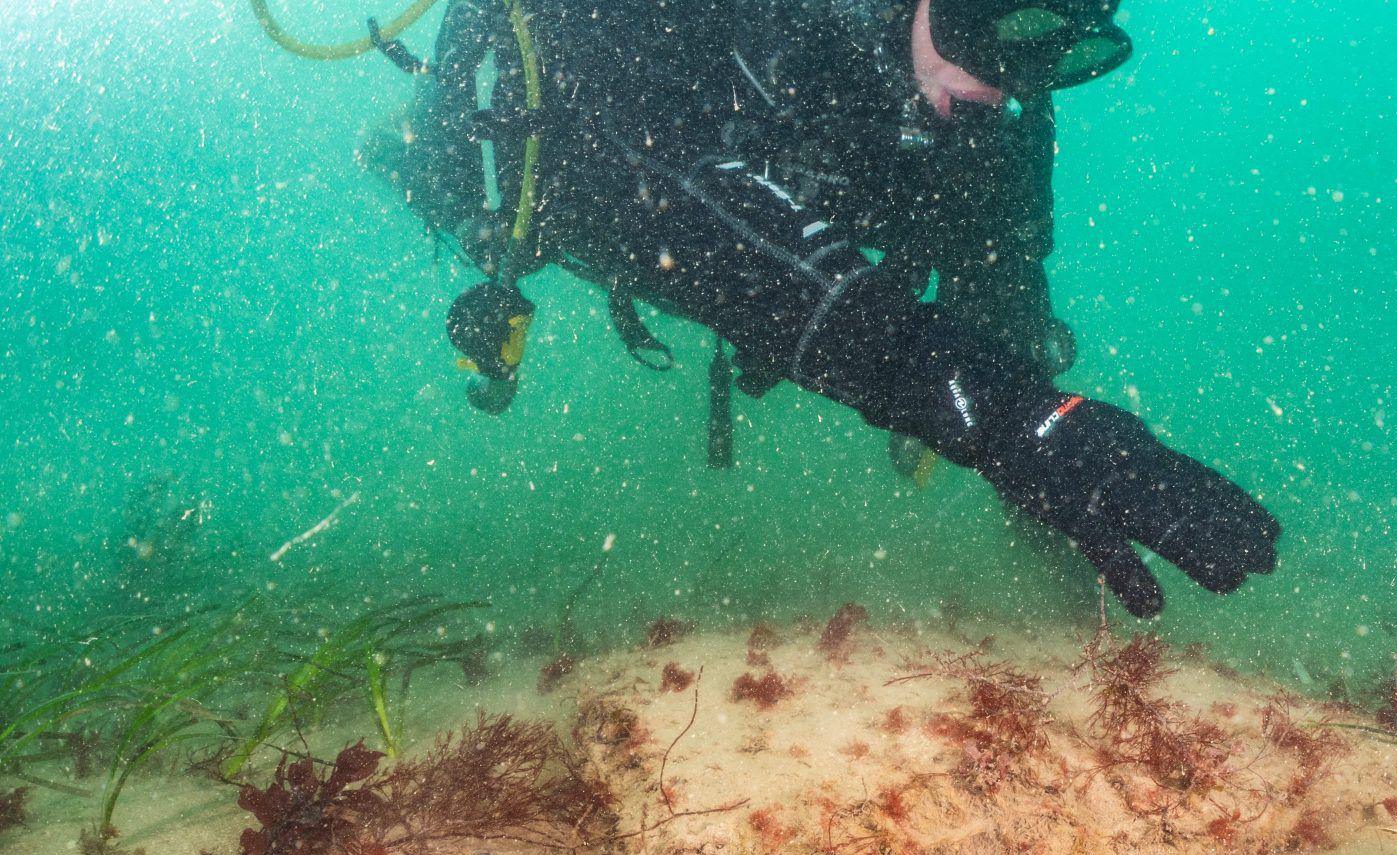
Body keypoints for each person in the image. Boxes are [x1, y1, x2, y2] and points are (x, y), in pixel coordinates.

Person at [369, 0, 1279, 619]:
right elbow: (694, 223)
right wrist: (1005, 417)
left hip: (738, 204)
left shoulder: (992, 96)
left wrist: (1044, 453)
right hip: (600, 178)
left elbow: (1001, 306)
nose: (1005, 82)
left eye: (1054, 48)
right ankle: (404, 150)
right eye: (997, 19)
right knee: (442, 175)